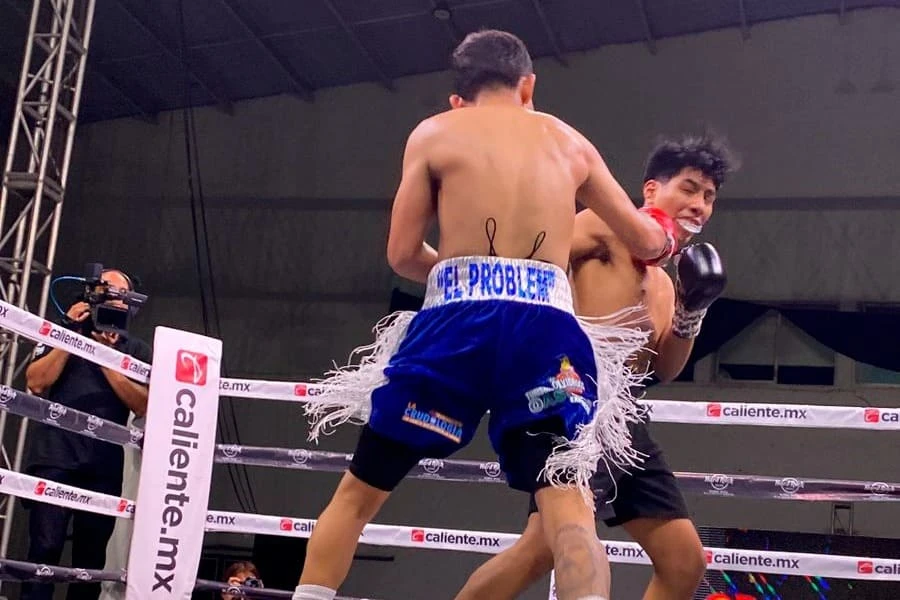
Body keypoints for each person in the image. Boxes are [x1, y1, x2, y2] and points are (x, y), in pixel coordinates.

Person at [293, 30, 679, 600]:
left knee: (359, 494)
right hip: (547, 342)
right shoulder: (568, 141)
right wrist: (668, 239)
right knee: (568, 505)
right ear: (529, 86)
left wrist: (465, 275)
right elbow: (646, 239)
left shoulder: (435, 132)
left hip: (455, 328)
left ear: (459, 97)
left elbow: (401, 254)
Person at [454, 134, 736, 600]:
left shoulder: (666, 285)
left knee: (684, 563)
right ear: (650, 190)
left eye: (708, 197)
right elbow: (536, 256)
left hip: (624, 416)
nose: (700, 204)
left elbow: (663, 368)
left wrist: (692, 310)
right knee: (545, 549)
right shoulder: (603, 228)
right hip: (571, 397)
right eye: (688, 188)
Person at [21, 268, 151, 600]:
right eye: (104, 291)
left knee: (89, 561)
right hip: (56, 455)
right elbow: (35, 382)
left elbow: (144, 405)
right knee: (44, 547)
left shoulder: (136, 349)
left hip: (103, 464)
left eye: (119, 295)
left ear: (129, 306)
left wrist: (108, 358)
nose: (111, 300)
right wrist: (72, 336)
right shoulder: (61, 330)